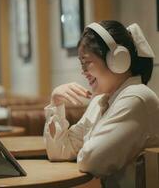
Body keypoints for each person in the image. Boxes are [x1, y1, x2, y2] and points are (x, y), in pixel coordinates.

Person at [44, 20, 159, 187]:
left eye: (86, 62)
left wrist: (83, 148)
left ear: (117, 60)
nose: (83, 72)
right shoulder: (101, 100)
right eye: (81, 64)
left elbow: (92, 161)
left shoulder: (137, 98)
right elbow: (60, 151)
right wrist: (56, 103)